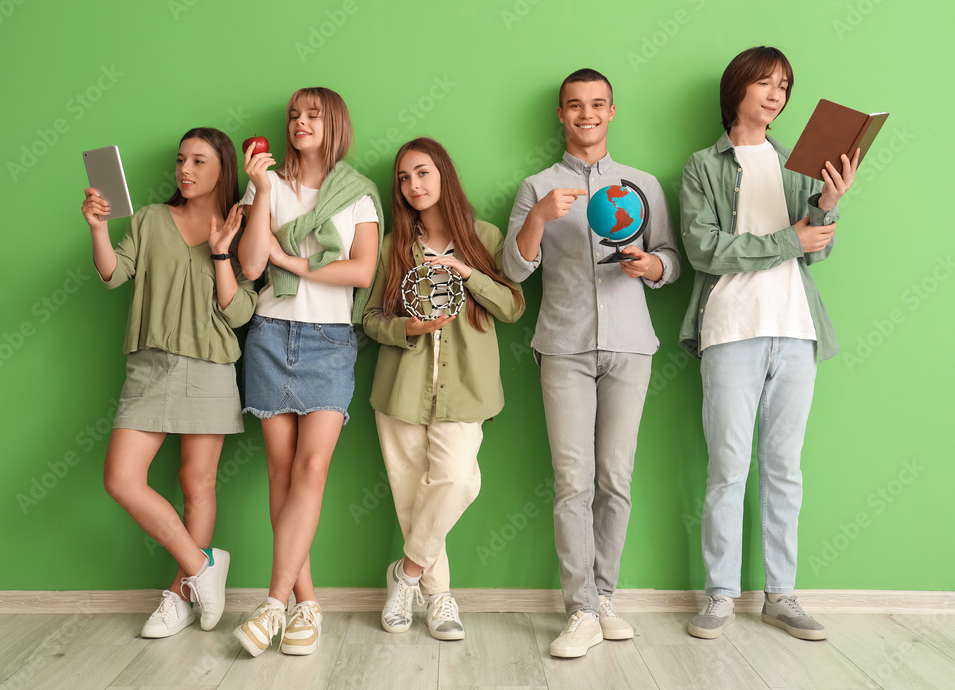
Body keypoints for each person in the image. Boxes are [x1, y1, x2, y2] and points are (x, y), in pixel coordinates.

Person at [678, 46, 857, 641]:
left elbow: (820, 247)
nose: (777, 93)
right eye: (765, 82)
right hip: (730, 327)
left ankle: (781, 595)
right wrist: (789, 239)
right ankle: (720, 595)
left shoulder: (799, 164)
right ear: (738, 89)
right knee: (728, 468)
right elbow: (705, 249)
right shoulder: (702, 166)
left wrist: (829, 203)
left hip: (796, 328)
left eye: (784, 85)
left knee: (784, 469)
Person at [502, 69, 681, 658]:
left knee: (616, 478)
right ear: (560, 114)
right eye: (574, 106)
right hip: (563, 347)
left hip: (631, 346)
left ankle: (606, 596)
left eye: (597, 104)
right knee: (572, 481)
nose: (586, 114)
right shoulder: (537, 186)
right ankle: (578, 610)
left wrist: (651, 267)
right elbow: (515, 269)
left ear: (612, 111)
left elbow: (671, 260)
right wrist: (539, 217)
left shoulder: (643, 184)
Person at [82, 127, 257, 639]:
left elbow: (241, 309)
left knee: (195, 484)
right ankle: (202, 567)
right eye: (182, 160)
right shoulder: (151, 219)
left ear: (223, 169)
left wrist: (223, 252)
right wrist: (97, 228)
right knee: (122, 479)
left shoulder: (240, 225)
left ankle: (180, 595)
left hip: (209, 366)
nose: (185, 169)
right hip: (150, 365)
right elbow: (115, 274)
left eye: (200, 161)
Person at [232, 87, 382, 658]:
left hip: (330, 340)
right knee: (280, 473)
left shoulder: (358, 193)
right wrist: (262, 191)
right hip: (270, 334)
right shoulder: (265, 185)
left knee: (312, 469)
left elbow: (362, 269)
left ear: (334, 123)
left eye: (312, 115)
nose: (300, 122)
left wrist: (293, 260)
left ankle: (273, 602)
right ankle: (306, 602)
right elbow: (249, 265)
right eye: (294, 115)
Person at [362, 137, 525, 641]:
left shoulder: (485, 236)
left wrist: (467, 273)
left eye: (423, 173)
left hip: (467, 391)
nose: (413, 185)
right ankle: (439, 599)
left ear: (444, 175)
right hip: (401, 391)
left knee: (457, 481)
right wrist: (404, 329)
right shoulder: (393, 246)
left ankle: (406, 575)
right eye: (404, 178)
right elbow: (368, 319)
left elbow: (512, 306)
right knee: (413, 502)